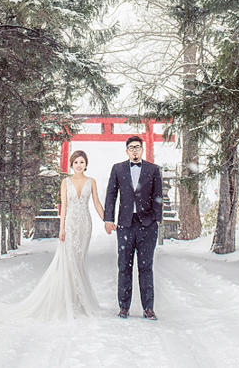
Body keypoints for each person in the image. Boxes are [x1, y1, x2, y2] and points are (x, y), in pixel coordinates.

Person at [16, 150, 106, 319]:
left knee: (79, 260)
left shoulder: (91, 182)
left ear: (86, 164)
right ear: (71, 164)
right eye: (76, 162)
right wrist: (61, 228)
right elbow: (63, 206)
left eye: (82, 162)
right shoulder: (66, 182)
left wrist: (107, 220)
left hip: (85, 224)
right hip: (70, 224)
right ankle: (67, 299)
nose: (79, 165)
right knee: (69, 260)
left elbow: (97, 204)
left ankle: (79, 299)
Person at [104, 135, 164, 320]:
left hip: (147, 224)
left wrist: (157, 218)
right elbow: (111, 194)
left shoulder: (153, 169)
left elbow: (158, 194)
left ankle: (148, 308)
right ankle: (124, 307)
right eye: (131, 147)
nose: (135, 150)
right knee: (124, 266)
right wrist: (108, 218)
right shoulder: (118, 169)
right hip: (125, 224)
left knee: (146, 267)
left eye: (138, 147)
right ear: (127, 150)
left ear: (142, 149)